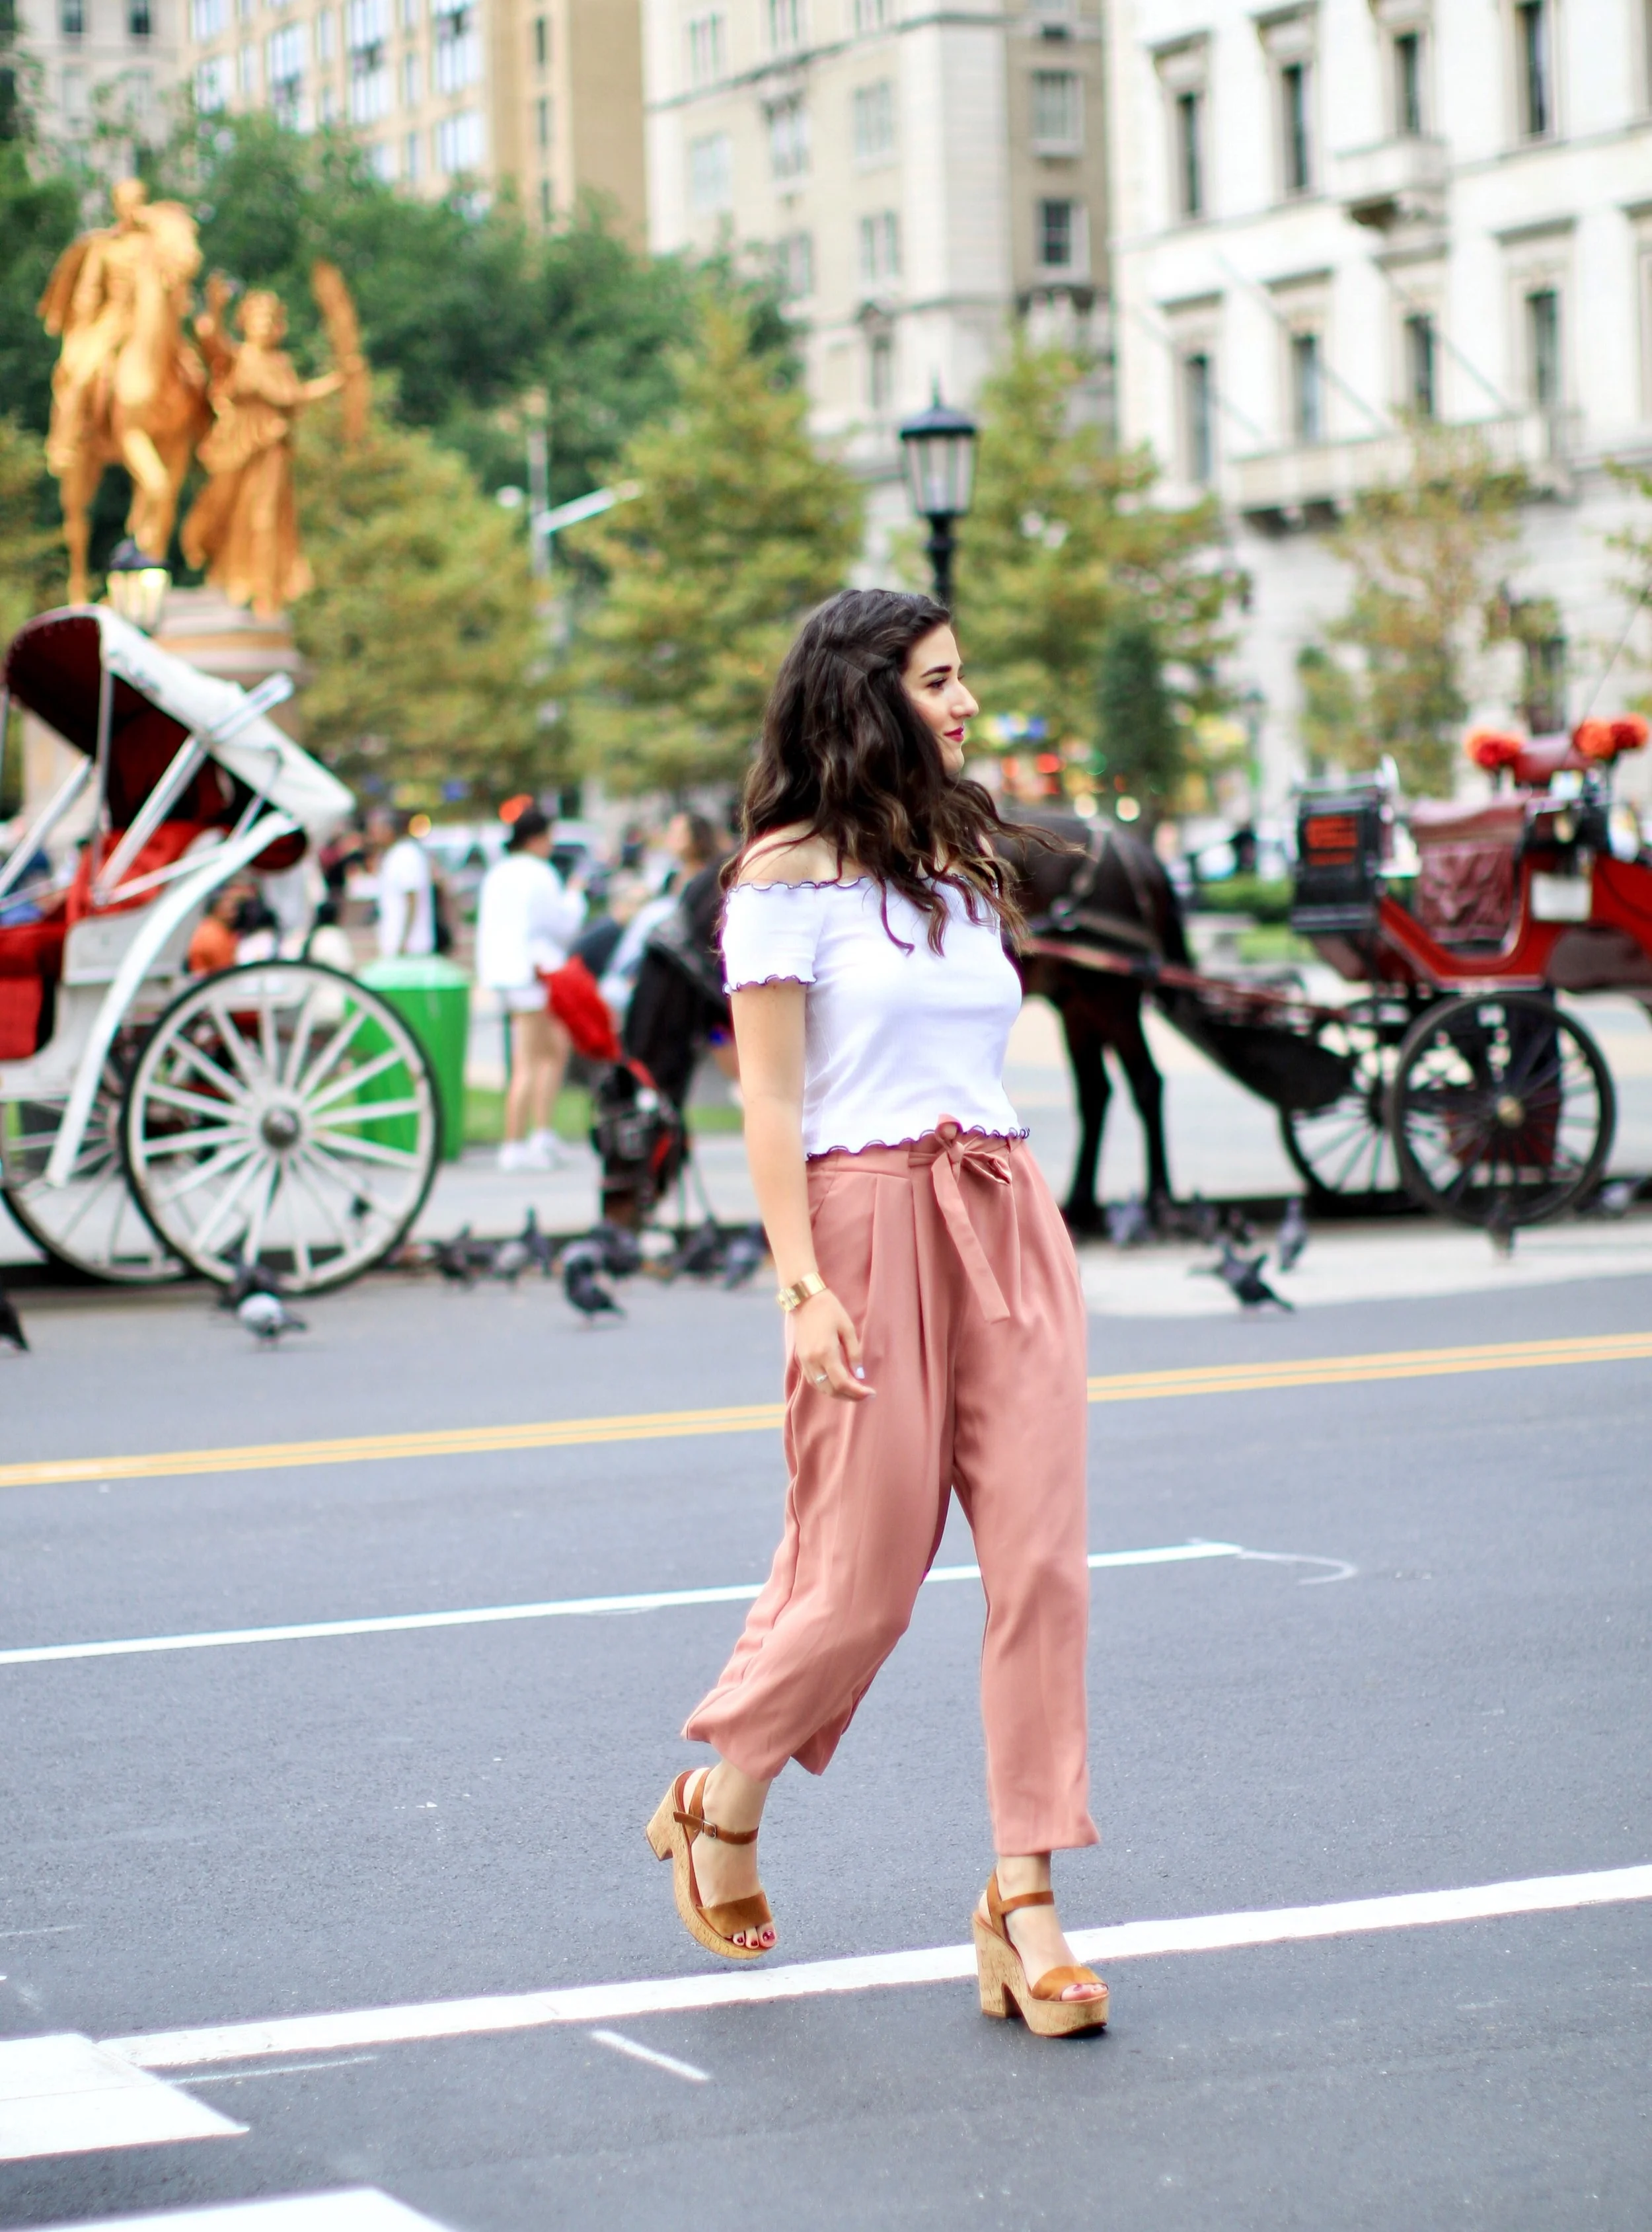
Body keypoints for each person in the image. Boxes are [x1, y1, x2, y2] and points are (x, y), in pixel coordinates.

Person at [645, 590, 1109, 2040]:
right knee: (859, 1578)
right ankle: (723, 1793)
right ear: (864, 694)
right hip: (859, 1221)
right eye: (940, 679)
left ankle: (1020, 1896)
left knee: (1041, 1568)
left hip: (1000, 1204)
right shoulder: (782, 877)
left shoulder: (963, 859)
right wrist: (799, 1284)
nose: (966, 704)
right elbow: (768, 1098)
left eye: (963, 675)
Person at [475, 806, 585, 1172]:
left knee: (550, 1050)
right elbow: (560, 924)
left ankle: (540, 1134)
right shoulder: (540, 874)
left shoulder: (498, 874)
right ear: (537, 838)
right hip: (533, 973)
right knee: (532, 1059)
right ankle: (517, 1140)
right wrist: (575, 898)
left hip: (509, 973)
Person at [369, 810, 435, 960]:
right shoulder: (394, 854)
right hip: (399, 947)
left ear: (389, 829)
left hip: (410, 949)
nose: (373, 835)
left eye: (376, 829)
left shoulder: (406, 854)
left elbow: (412, 900)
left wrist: (404, 942)